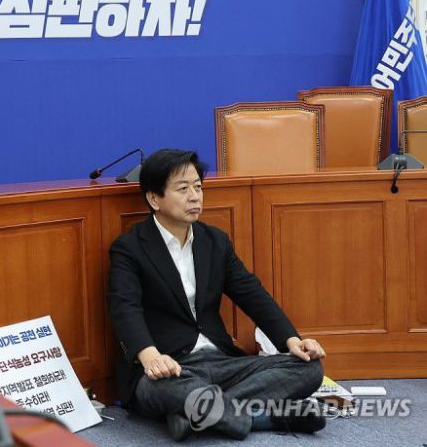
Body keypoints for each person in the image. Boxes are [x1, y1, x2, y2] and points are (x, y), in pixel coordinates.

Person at [107, 148, 326, 441]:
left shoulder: (215, 241)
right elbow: (125, 308)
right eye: (183, 189)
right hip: (171, 367)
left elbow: (252, 294)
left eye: (198, 187)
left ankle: (193, 414)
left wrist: (292, 340)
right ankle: (265, 417)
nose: (195, 197)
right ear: (154, 199)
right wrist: (150, 356)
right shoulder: (130, 248)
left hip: (222, 362)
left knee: (309, 369)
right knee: (165, 388)